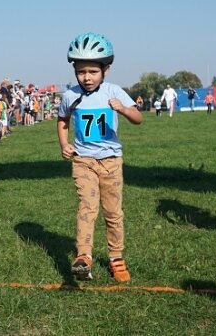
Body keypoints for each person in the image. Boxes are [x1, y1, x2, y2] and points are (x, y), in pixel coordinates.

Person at [57, 32, 143, 283]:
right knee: (87, 207)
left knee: (113, 212)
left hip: (111, 162)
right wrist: (64, 144)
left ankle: (116, 258)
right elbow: (62, 121)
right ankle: (83, 257)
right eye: (81, 71)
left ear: (106, 69)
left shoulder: (114, 92)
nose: (87, 77)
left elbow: (139, 119)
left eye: (93, 72)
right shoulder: (70, 96)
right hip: (83, 161)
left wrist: (125, 109)